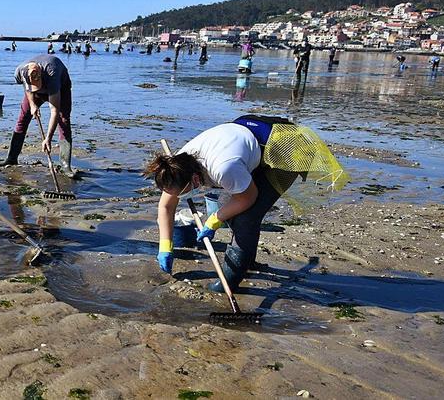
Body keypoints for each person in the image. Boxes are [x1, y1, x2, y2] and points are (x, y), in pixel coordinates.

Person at [144, 116, 345, 293]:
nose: (178, 196)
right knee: (233, 210)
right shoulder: (177, 166)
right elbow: (166, 207)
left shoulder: (223, 169)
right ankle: (247, 260)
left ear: (196, 180)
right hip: (251, 141)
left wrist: (215, 220)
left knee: (246, 217)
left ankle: (230, 281)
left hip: (287, 148)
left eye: (183, 192)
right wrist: (165, 246)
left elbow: (247, 197)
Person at [4, 54, 73, 170]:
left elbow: (54, 110)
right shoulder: (19, 72)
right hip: (34, 93)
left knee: (63, 120)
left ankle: (66, 166)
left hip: (61, 88)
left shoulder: (52, 72)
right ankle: (11, 158)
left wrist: (48, 139)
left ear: (40, 74)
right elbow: (27, 88)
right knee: (23, 118)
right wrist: (32, 105)